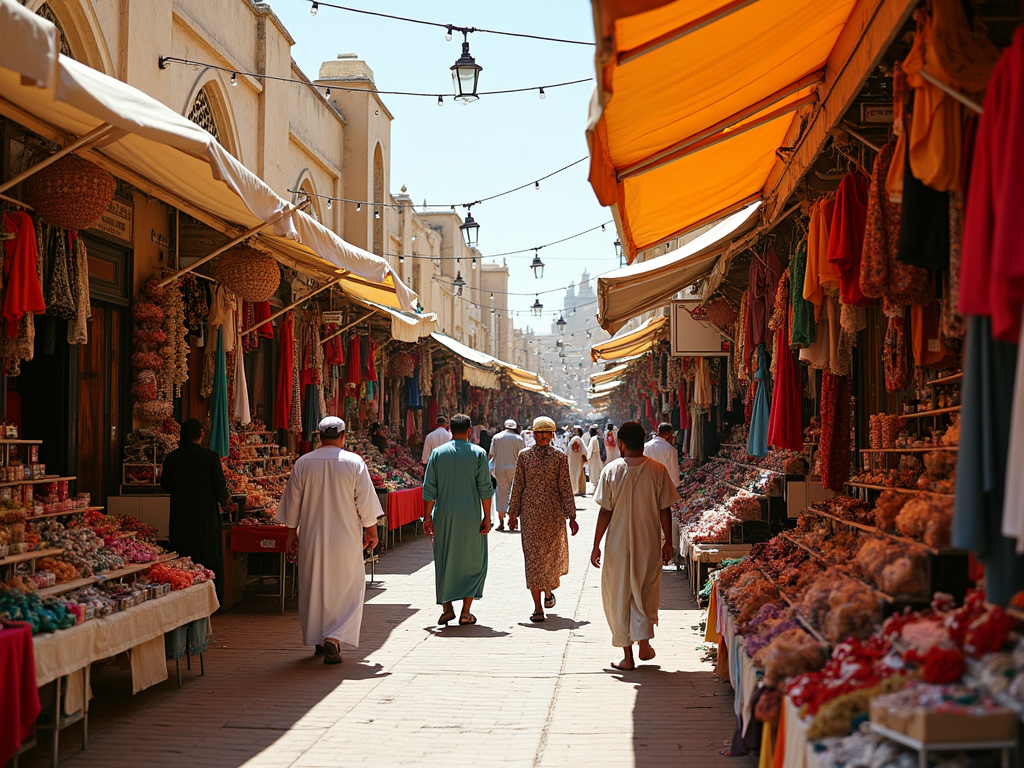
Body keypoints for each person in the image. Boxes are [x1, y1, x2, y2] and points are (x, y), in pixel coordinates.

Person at [278, 417, 382, 665]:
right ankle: (333, 638)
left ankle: (319, 636)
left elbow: (292, 506)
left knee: (314, 586)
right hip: (345, 538)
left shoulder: (303, 463)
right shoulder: (354, 462)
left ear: (319, 436)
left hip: (312, 536)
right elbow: (365, 503)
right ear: (343, 436)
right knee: (347, 588)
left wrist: (291, 536)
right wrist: (372, 532)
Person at [591, 421, 681, 671]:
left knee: (620, 593)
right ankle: (644, 643)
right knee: (645, 590)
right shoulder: (657, 470)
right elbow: (666, 509)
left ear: (620, 444)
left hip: (618, 545)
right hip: (649, 542)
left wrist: (596, 544)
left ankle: (627, 656)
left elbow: (604, 512)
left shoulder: (611, 470)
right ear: (643, 442)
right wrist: (669, 542)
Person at [423, 413, 494, 627]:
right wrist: (487, 517)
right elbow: (485, 489)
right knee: (472, 562)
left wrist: (427, 517)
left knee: (444, 557)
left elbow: (429, 490)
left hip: (443, 514)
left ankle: (447, 607)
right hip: (471, 515)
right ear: (470, 431)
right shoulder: (478, 454)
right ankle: (465, 612)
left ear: (450, 430)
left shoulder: (437, 454)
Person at [508, 416, 579, 622]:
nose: (542, 436)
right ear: (533, 434)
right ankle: (538, 607)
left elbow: (565, 487)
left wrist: (571, 516)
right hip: (529, 515)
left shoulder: (559, 457)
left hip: (553, 515)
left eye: (546, 432)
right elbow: (518, 485)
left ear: (552, 435)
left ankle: (548, 591)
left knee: (549, 556)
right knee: (532, 559)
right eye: (539, 432)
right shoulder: (524, 456)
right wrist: (513, 513)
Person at [160, 418, 230, 603]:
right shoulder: (210, 457)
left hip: (180, 516)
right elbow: (220, 488)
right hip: (205, 517)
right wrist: (228, 502)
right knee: (207, 557)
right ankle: (210, 599)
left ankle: (183, 596)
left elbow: (165, 485)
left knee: (183, 556)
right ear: (201, 434)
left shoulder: (172, 458)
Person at [488, 419, 525, 531]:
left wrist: (490, 468)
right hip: (515, 469)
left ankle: (501, 522)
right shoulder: (519, 439)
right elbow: (523, 456)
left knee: (501, 494)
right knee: (515, 495)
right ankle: (513, 520)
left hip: (499, 469)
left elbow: (491, 455)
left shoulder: (496, 437)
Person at [567, 427, 588, 496]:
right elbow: (584, 452)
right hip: (579, 462)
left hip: (571, 463)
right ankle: (579, 490)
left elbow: (566, 453)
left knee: (572, 475)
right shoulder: (580, 441)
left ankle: (573, 489)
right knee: (580, 475)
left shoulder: (570, 443)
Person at [586, 425, 606, 493]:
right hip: (598, 456)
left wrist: (587, 458)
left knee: (593, 472)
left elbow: (590, 449)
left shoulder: (593, 439)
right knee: (598, 471)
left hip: (593, 457)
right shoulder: (599, 438)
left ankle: (594, 489)